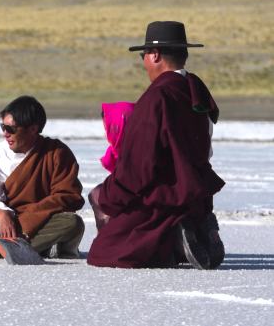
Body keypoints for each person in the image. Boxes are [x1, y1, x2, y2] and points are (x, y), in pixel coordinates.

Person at [87, 21, 225, 269]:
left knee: (105, 253)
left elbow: (139, 167)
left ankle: (173, 241)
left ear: (155, 55)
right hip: (196, 196)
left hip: (163, 198)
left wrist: (109, 197)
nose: (143, 62)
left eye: (143, 55)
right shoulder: (196, 90)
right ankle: (190, 227)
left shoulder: (157, 97)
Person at [0, 95, 85, 259]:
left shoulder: (56, 153)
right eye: (3, 127)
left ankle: (2, 247)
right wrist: (2, 214)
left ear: (33, 129)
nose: (5, 134)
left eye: (11, 129)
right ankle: (31, 246)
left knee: (73, 223)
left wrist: (29, 220)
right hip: (5, 222)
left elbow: (68, 196)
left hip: (41, 221)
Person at [88, 101, 135, 231]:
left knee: (100, 196)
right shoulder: (116, 152)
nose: (107, 132)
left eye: (111, 127)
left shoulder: (138, 153)